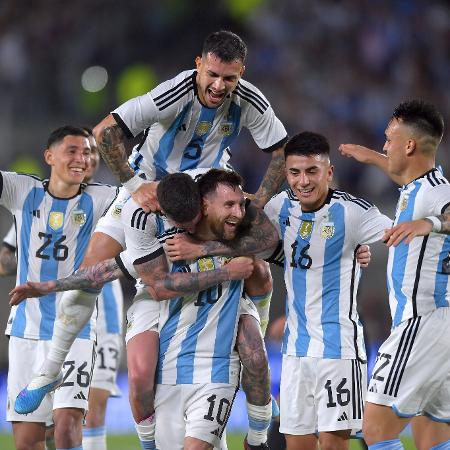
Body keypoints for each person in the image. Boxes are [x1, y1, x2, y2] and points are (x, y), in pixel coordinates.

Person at [25, 29, 286, 447]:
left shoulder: (250, 100)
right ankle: (49, 369)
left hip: (207, 190)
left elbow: (281, 149)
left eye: (230, 78)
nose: (219, 86)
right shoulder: (173, 93)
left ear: (241, 74)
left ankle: (254, 314)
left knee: (259, 245)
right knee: (92, 269)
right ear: (199, 64)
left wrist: (262, 196)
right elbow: (105, 131)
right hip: (150, 188)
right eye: (213, 75)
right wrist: (132, 186)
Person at [11, 169, 274, 449]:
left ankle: (260, 416)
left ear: (203, 204)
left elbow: (269, 243)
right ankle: (51, 374)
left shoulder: (226, 199)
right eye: (182, 223)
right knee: (139, 376)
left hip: (214, 328)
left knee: (257, 303)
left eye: (195, 219)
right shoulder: (141, 216)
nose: (190, 226)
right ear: (165, 213)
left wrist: (204, 249)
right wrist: (50, 285)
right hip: (155, 288)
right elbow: (110, 273)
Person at [262, 132, 391, 450]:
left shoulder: (353, 213)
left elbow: (405, 232)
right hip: (295, 353)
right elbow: (267, 248)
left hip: (338, 351)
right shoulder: (279, 207)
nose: (302, 181)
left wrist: (358, 248)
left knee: (334, 446)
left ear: (328, 172)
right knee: (297, 445)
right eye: (294, 172)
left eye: (311, 171)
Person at [339, 100, 450, 450]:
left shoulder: (435, 193)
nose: (384, 146)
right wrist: (370, 156)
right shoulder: (416, 187)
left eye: (389, 139)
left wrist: (427, 224)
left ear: (410, 145)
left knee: (375, 428)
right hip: (440, 328)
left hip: (422, 324)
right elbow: (396, 169)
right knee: (432, 435)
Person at [2, 126, 119, 450]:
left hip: (76, 330)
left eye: (88, 152)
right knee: (27, 441)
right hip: (26, 329)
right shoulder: (22, 190)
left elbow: (144, 198)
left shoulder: (101, 197)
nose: (82, 158)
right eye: (73, 151)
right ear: (49, 156)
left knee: (68, 430)